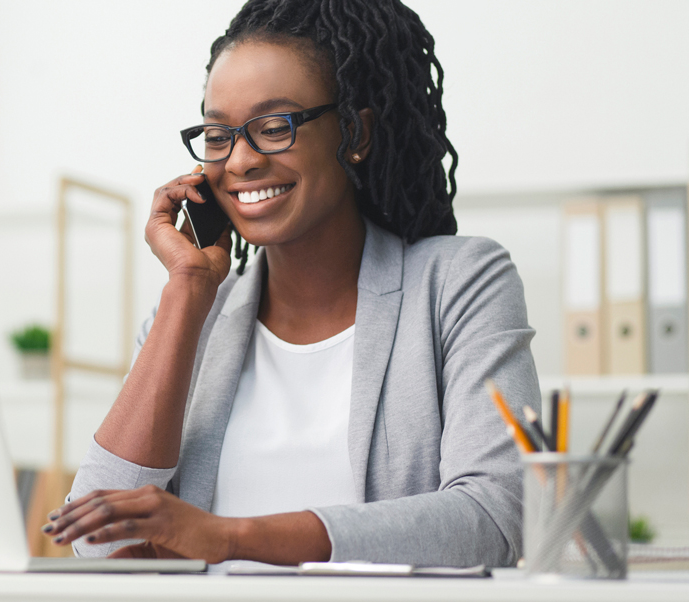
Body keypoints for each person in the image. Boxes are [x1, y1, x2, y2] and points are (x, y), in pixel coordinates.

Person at [41, 0, 540, 567]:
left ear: (355, 131)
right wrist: (188, 289)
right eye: (217, 134)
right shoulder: (192, 315)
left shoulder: (458, 284)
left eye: (274, 127)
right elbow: (94, 541)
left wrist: (231, 538)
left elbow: (498, 516)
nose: (241, 161)